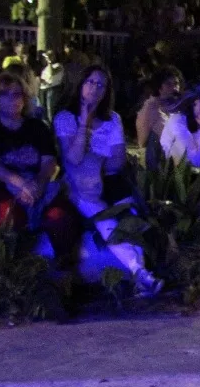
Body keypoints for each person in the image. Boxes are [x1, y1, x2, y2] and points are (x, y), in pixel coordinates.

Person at [55, 66, 161, 296]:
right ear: (80, 84)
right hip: (79, 184)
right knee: (104, 217)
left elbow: (117, 161)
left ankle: (141, 276)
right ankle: (140, 273)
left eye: (101, 85)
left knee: (130, 215)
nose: (94, 88)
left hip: (110, 179)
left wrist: (92, 160)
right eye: (90, 82)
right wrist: (84, 125)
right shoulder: (65, 118)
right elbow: (72, 158)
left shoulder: (112, 119)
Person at [0, 72, 78, 271]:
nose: (14, 99)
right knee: (9, 214)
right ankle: (1, 273)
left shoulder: (37, 128)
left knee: (61, 216)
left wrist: (38, 184)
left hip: (35, 186)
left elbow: (49, 162)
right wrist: (21, 183)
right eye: (6, 94)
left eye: (18, 94)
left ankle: (64, 274)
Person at [136, 67, 183, 152]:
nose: (174, 88)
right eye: (168, 84)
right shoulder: (152, 107)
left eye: (176, 84)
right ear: (159, 87)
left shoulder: (174, 107)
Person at [38, 46, 65, 121]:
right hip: (43, 89)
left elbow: (51, 72)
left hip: (52, 89)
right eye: (48, 55)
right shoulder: (45, 67)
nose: (49, 56)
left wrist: (49, 61)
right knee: (43, 111)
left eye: (51, 55)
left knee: (50, 111)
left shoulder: (59, 66)